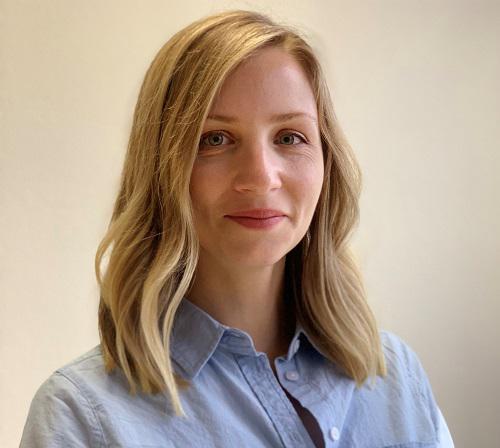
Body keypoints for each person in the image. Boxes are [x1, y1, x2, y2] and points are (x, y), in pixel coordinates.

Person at [20, 9, 454, 448]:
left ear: (327, 162)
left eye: (289, 137)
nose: (261, 177)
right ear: (161, 170)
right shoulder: (82, 417)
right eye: (215, 139)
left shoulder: (397, 377)